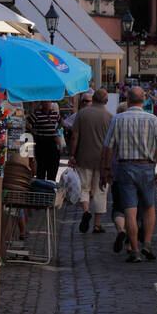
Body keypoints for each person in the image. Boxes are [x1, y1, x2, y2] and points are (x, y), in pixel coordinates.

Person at [100, 85, 157, 263]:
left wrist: (106, 169)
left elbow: (108, 148)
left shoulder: (118, 119)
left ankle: (134, 250)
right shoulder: (152, 120)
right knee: (149, 206)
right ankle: (147, 243)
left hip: (125, 167)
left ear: (127, 101)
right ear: (144, 101)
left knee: (130, 209)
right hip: (146, 167)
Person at [71, 90, 113, 235]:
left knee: (83, 187)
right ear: (106, 101)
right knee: (101, 191)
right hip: (102, 160)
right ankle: (97, 224)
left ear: (93, 99)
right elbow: (111, 143)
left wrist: (72, 155)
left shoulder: (82, 114)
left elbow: (75, 137)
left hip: (84, 157)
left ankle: (86, 210)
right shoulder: (110, 117)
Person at [29, 101, 63, 182]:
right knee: (41, 168)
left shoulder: (54, 113)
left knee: (52, 167)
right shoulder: (37, 114)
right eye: (45, 102)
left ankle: (51, 186)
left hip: (52, 142)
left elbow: (61, 121)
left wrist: (57, 129)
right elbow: (27, 121)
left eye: (48, 102)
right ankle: (41, 187)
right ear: (42, 104)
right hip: (41, 142)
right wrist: (32, 130)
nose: (47, 104)